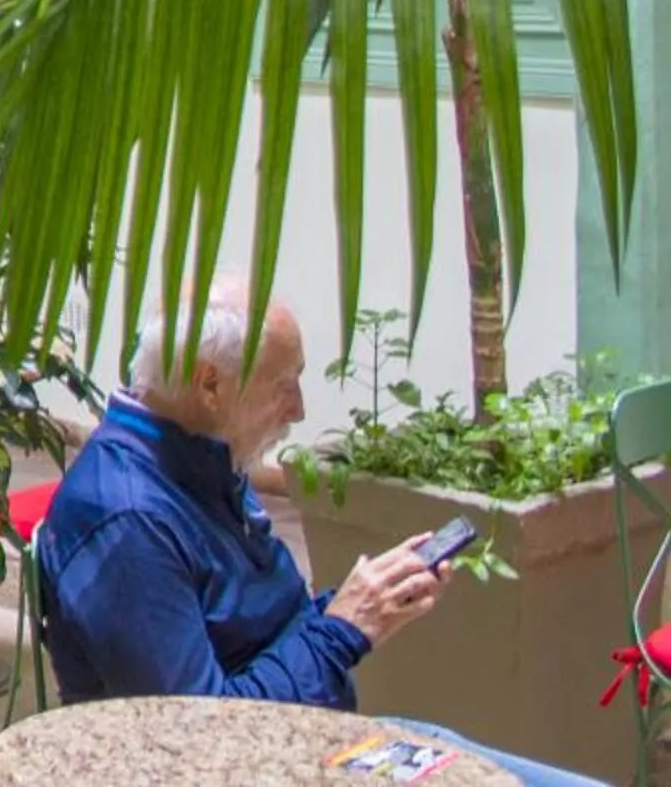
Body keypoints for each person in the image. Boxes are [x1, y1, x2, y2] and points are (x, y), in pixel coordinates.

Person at [37, 285, 606, 787]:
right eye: (286, 385)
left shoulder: (204, 459)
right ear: (210, 384)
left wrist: (366, 603)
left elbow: (255, 642)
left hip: (325, 748)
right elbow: (198, 737)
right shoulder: (128, 517)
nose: (300, 409)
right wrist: (342, 630)